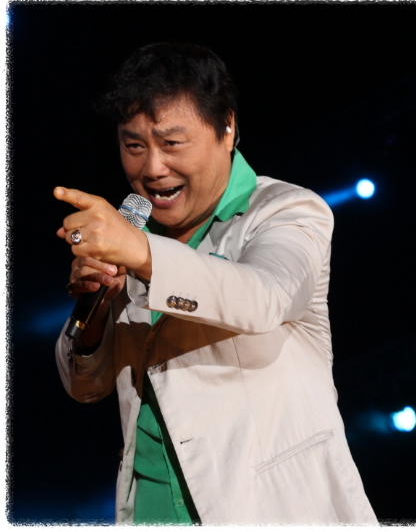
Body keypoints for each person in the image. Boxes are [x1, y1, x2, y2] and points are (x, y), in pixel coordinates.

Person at [55, 42, 378, 526]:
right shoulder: (135, 236)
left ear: (227, 129)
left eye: (172, 143)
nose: (152, 168)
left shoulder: (287, 210)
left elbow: (264, 296)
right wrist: (96, 308)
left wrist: (142, 254)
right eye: (134, 145)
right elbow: (84, 386)